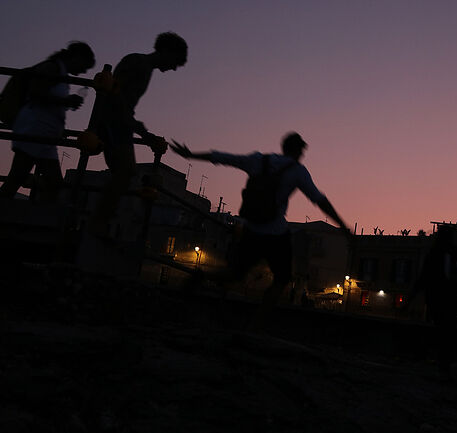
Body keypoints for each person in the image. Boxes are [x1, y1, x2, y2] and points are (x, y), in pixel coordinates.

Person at [169, 132, 351, 325]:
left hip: (251, 230)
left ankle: (201, 276)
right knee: (282, 279)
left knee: (236, 273)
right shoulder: (298, 171)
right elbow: (320, 200)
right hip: (276, 234)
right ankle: (257, 323)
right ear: (298, 151)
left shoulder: (258, 160)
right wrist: (343, 227)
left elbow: (223, 158)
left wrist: (190, 154)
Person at [89, 32, 187, 236]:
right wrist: (140, 130)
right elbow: (117, 96)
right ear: (167, 51)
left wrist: (138, 129)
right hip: (114, 122)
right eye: (176, 61)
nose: (174, 68)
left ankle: (101, 220)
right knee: (125, 171)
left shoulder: (143, 66)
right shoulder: (138, 63)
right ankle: (98, 222)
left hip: (120, 123)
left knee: (125, 173)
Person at [0, 42, 95, 202]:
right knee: (19, 177)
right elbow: (36, 93)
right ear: (77, 57)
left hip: (44, 134)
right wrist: (65, 102)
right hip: (34, 129)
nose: (84, 71)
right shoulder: (52, 68)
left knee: (52, 182)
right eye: (84, 65)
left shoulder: (60, 72)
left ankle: (34, 214)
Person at [409, 225, 457, 382]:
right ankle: (444, 368)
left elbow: (423, 278)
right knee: (447, 333)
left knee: (442, 332)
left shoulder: (434, 253)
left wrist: (410, 299)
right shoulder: (453, 252)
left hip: (436, 299)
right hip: (448, 299)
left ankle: (442, 367)